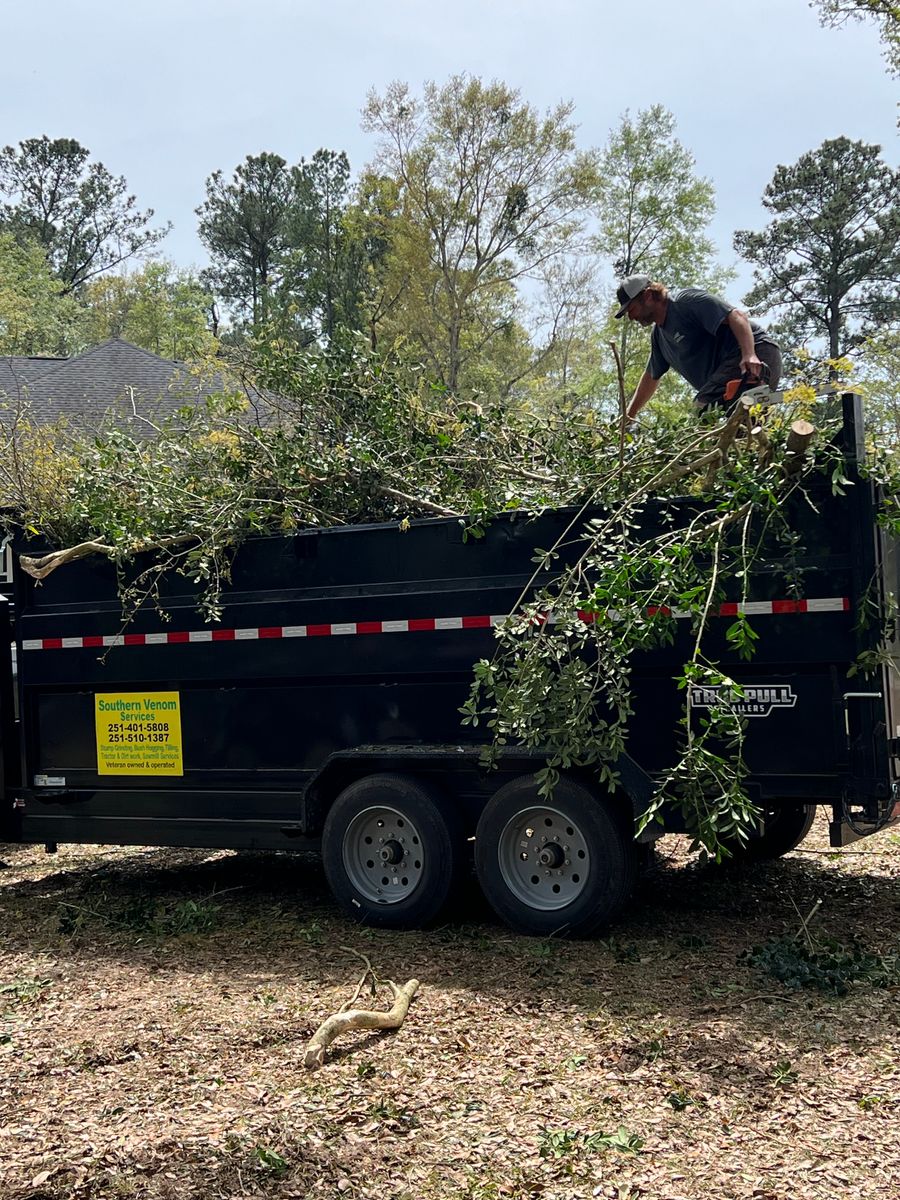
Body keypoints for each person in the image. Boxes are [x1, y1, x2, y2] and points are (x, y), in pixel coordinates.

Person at [614, 275, 782, 421]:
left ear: (648, 296)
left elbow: (737, 316)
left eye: (632, 309)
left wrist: (750, 354)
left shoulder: (685, 302)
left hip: (757, 356)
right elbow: (651, 376)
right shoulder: (659, 336)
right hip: (731, 377)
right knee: (737, 430)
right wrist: (629, 415)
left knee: (703, 409)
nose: (631, 317)